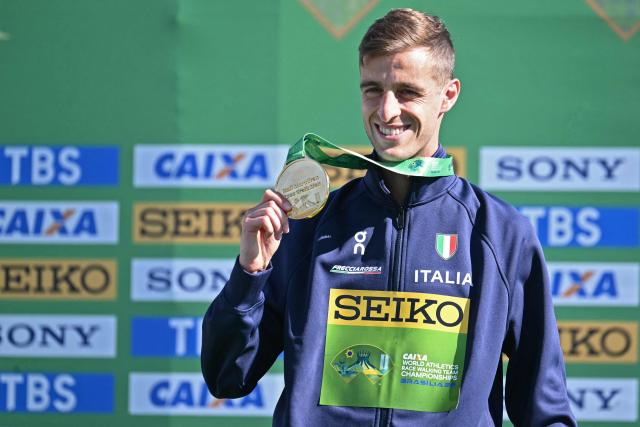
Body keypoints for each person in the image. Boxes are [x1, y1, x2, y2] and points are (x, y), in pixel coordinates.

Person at [201, 8, 576, 426]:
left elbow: (545, 408)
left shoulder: (500, 234)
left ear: (448, 95)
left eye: (407, 91)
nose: (386, 110)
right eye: (372, 90)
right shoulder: (311, 226)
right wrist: (251, 273)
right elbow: (226, 376)